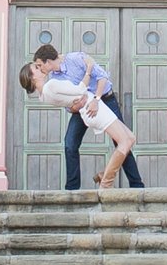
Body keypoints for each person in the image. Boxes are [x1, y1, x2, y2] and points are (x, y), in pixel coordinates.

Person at [20, 42, 146, 190]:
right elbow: (69, 102)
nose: (40, 68)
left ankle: (135, 185)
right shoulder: (53, 78)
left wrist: (96, 100)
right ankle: (72, 188)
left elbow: (102, 77)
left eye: (39, 65)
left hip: (104, 98)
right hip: (83, 108)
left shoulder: (75, 58)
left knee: (122, 141)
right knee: (70, 143)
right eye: (37, 67)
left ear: (48, 62)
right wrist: (75, 106)